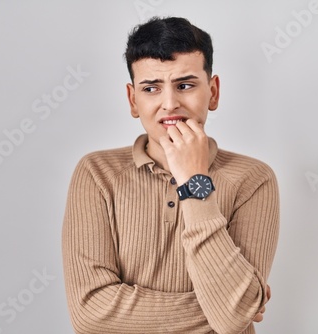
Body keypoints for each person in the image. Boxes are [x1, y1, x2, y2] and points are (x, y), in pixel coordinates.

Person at [62, 16, 279, 334]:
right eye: (151, 88)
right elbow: (90, 314)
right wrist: (235, 304)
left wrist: (194, 180)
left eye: (185, 85)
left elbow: (233, 318)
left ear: (213, 92)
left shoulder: (253, 179)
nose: (170, 103)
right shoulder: (97, 174)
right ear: (133, 100)